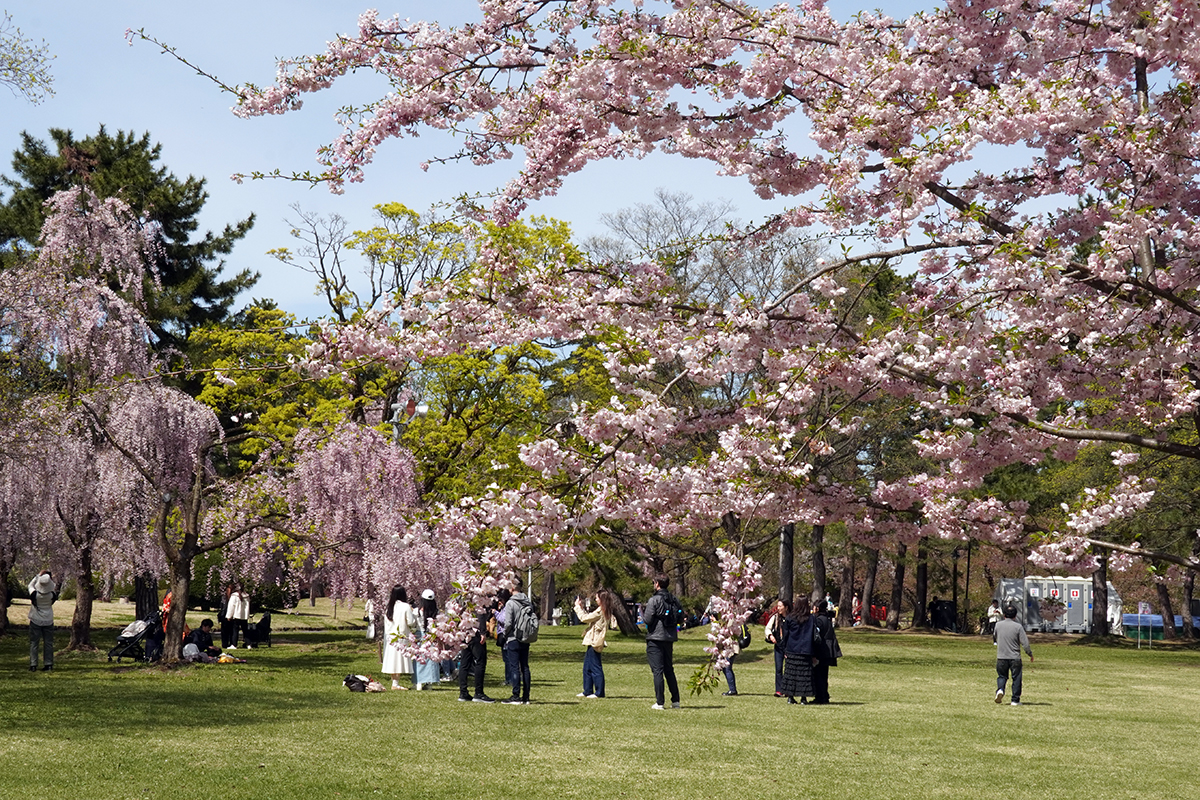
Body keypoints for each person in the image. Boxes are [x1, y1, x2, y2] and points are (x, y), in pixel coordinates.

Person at [643, 575, 681, 710]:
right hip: (669, 637)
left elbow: (647, 620)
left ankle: (660, 702)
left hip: (655, 638)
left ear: (657, 584)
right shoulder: (674, 599)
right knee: (669, 669)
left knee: (658, 670)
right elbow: (680, 617)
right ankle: (675, 700)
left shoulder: (654, 600)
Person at [573, 589, 615, 698]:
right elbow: (590, 617)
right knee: (587, 667)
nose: (595, 599)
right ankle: (587, 690)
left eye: (597, 597)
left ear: (602, 599)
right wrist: (582, 608)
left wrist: (577, 607)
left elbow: (584, 618)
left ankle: (599, 692)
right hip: (592, 641)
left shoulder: (601, 611)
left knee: (596, 667)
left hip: (595, 642)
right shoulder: (602, 610)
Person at [501, 581, 535, 704]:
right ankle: (526, 696)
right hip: (525, 637)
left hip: (513, 637)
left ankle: (515, 695)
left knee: (514, 667)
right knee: (525, 666)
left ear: (512, 588)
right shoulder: (527, 601)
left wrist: (504, 634)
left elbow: (508, 623)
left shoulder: (510, 603)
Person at [994, 604, 1033, 706]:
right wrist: (1029, 653)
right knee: (1016, 678)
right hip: (1014, 657)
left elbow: (995, 636)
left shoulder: (998, 625)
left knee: (1002, 676)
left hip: (1001, 656)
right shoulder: (1018, 627)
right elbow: (1025, 643)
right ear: (1015, 615)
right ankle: (1015, 700)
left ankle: (1000, 689)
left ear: (1004, 615)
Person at [458, 599, 495, 703]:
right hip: (475, 633)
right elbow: (481, 615)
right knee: (480, 662)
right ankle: (479, 693)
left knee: (464, 663)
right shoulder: (477, 599)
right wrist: (483, 632)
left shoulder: (462, 598)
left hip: (464, 632)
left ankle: (463, 692)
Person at [382, 585, 419, 690]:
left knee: (393, 660)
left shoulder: (389, 607)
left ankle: (395, 682)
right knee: (398, 660)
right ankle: (395, 684)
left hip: (391, 637)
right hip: (401, 637)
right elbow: (411, 622)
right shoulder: (405, 606)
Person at [781, 599, 815, 705]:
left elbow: (786, 634)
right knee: (804, 675)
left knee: (791, 674)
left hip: (792, 649)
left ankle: (790, 697)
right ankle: (803, 698)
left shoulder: (790, 618)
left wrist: (784, 648)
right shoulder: (811, 618)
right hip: (806, 650)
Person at [28, 570, 59, 672]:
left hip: (36, 620)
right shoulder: (52, 595)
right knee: (48, 643)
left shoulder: (35, 595)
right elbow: (53, 587)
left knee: (34, 643)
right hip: (48, 620)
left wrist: (38, 576)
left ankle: (33, 664)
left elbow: (30, 585)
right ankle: (48, 664)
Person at [811, 602, 841, 704]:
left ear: (817, 608)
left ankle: (820, 697)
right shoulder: (827, 618)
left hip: (821, 650)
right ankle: (824, 695)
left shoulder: (818, 620)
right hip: (828, 650)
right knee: (824, 675)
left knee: (818, 675)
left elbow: (816, 636)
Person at [413, 589, 441, 690]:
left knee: (419, 659)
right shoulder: (436, 612)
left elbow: (413, 624)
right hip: (431, 636)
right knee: (430, 659)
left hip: (419, 635)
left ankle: (418, 682)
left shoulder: (416, 611)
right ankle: (429, 683)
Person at [764, 599, 791, 697]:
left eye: (780, 606)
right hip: (779, 647)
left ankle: (788, 690)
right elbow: (767, 628)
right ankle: (779, 690)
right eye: (778, 606)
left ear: (786, 607)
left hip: (789, 647)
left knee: (788, 669)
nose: (778, 608)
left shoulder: (791, 618)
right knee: (778, 668)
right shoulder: (775, 618)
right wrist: (770, 636)